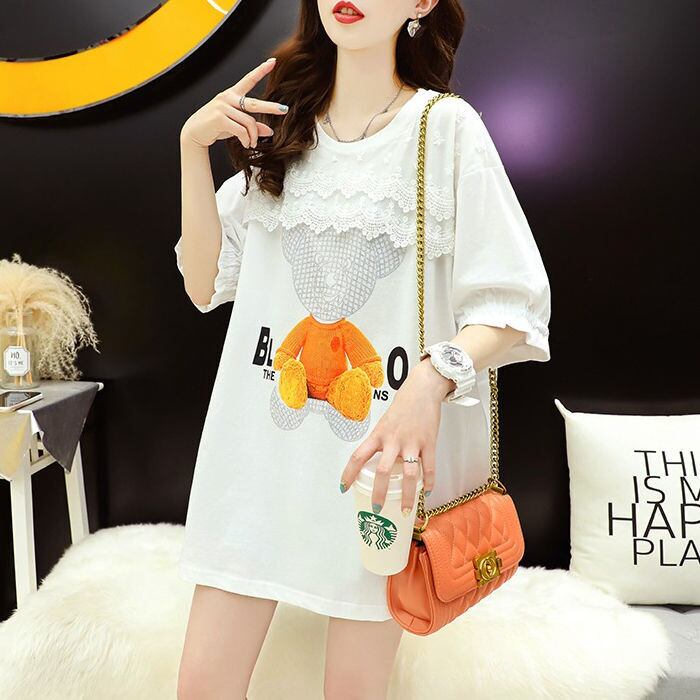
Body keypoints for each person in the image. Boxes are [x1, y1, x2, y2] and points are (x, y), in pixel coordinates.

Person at [175, 1, 551, 698]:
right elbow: (203, 285)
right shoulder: (284, 129)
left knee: (352, 691)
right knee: (201, 686)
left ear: (421, 4)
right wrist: (191, 151)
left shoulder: (445, 131)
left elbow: (514, 306)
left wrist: (428, 383)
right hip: (255, 465)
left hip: (377, 476)